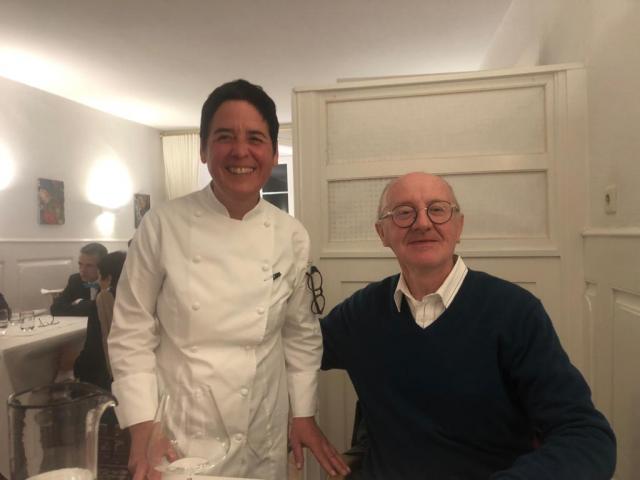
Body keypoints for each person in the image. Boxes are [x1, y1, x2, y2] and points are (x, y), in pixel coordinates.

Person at [108, 79, 349, 480]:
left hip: (261, 422)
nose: (241, 151)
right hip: (182, 427)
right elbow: (131, 332)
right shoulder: (162, 225)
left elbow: (300, 334)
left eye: (255, 138)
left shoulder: (291, 234)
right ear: (203, 150)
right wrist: (141, 427)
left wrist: (303, 413)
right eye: (224, 137)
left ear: (273, 153)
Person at [319, 172, 616, 479]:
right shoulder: (361, 312)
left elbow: (587, 436)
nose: (423, 223)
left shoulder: (515, 312)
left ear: (458, 226)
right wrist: (302, 417)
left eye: (437, 209)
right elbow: (298, 349)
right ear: (382, 233)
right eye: (404, 213)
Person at [74, 251, 127, 392]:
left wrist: (75, 368)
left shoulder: (104, 300)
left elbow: (93, 350)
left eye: (99, 277)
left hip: (107, 381)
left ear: (108, 278)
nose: (98, 282)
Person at [51, 242, 108, 316]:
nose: (82, 270)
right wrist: (87, 306)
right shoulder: (75, 280)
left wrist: (80, 303)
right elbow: (55, 308)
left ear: (102, 266)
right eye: (80, 264)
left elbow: (105, 309)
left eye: (89, 266)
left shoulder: (110, 282)